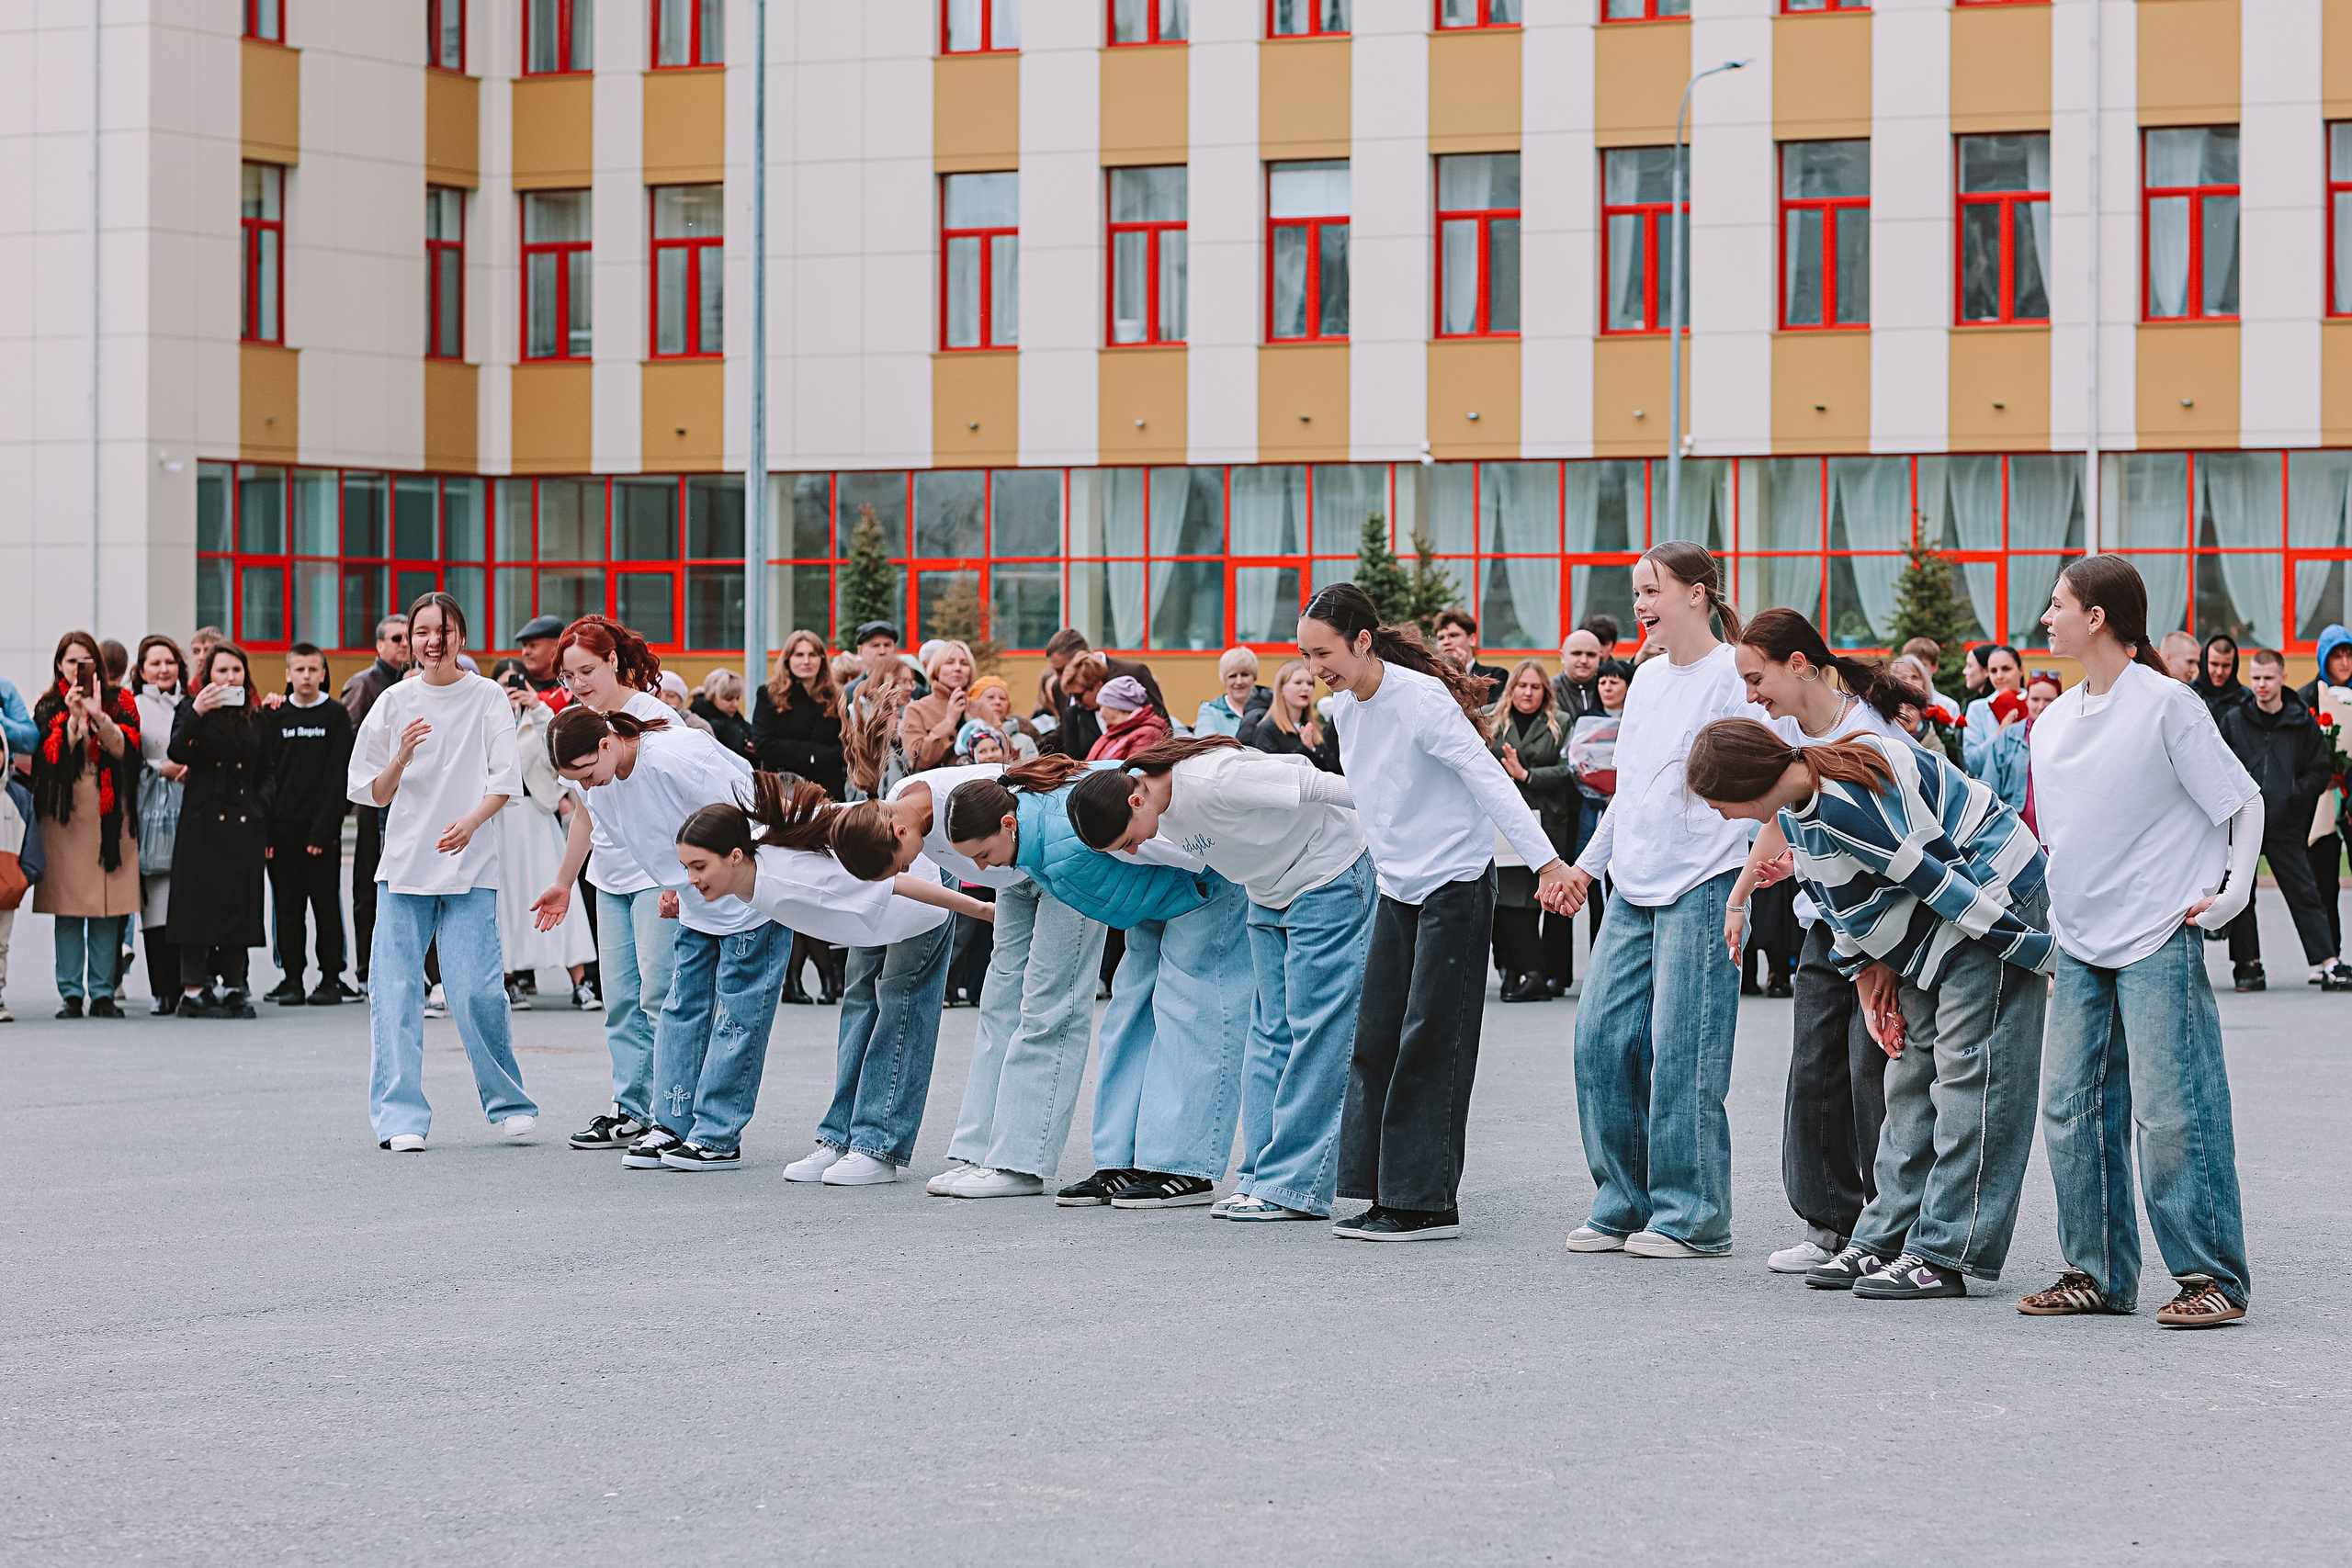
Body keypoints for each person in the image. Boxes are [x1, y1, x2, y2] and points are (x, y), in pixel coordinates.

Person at [1691, 719, 2055, 1300]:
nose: (1722, 817)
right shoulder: (1798, 807)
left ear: (1748, 783)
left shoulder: (1849, 803)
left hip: (1990, 904)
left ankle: (1945, 1250)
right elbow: (1837, 904)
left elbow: (1941, 881)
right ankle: (1885, 1235)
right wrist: (1866, 975)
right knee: (1908, 1076)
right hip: (1933, 923)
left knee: (1972, 1078)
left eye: (1719, 803)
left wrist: (2035, 951)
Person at [2019, 555, 2259, 1328]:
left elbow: (2242, 801)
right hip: (2081, 940)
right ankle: (2095, 1272)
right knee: (2068, 1107)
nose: (2046, 616)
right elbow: (2062, 839)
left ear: (2097, 618)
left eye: (2058, 604)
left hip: (2159, 930)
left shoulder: (2168, 705)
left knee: (2172, 1110)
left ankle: (2211, 1274)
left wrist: (2234, 893)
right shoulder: (2051, 724)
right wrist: (2058, 929)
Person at [1296, 583, 1570, 1242]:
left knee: (1431, 1036)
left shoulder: (1421, 700)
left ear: (1362, 641)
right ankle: (1381, 1188)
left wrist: (1548, 863)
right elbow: (1373, 800)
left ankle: (1425, 1201)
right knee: (1377, 1036)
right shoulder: (1345, 711)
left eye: (1324, 652)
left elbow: (1487, 779)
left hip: (1454, 880)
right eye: (1305, 656)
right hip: (1398, 886)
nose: (1314, 669)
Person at [1066, 735, 1374, 1221]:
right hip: (1268, 893)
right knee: (1270, 1034)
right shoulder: (1149, 801)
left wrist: (1402, 837)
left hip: (1329, 876)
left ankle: (1296, 1186)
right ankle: (1260, 1177)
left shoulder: (1216, 777)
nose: (1137, 847)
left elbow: (1327, 786)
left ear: (1135, 798)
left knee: (1318, 1033)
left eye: (1127, 839)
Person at [1717, 609, 1928, 1274]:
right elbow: (1783, 809)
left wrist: (1886, 960)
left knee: (1873, 1069)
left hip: (1885, 922)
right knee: (1813, 1063)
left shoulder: (1869, 729)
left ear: (1798, 664)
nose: (1753, 695)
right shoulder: (1786, 729)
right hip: (1824, 919)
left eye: (1757, 678)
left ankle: (1886, 1223)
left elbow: (1901, 846)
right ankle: (1826, 1220)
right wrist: (1741, 892)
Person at [1560, 543, 1752, 1260]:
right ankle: (1623, 1198)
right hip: (1632, 885)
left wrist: (1750, 871)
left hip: (1703, 883)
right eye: (1636, 592)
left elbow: (1770, 767)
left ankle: (1694, 1213)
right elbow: (1631, 787)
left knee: (1684, 1053)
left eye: (1651, 590)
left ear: (1698, 593)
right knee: (1598, 1041)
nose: (1640, 604)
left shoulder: (1734, 674)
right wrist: (1586, 867)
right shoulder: (1642, 679)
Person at [678, 773, 991, 1187]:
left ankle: (877, 1145)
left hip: (916, 883)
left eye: (698, 867)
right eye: (687, 868)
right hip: (870, 903)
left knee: (901, 1006)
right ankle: (840, 1137)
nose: (691, 878)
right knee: (860, 1004)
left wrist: (981, 911)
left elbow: (899, 880)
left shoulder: (790, 879)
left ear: (735, 856)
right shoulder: (755, 852)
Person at [938, 762, 1214, 1199]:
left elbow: (1170, 850)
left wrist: (1202, 889)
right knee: (1122, 1017)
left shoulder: (1061, 848)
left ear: (1008, 825)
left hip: (1187, 898)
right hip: (1155, 903)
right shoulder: (1029, 834)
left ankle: (1025, 1162)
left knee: (1066, 1012)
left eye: (983, 854)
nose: (979, 868)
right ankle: (1115, 1162)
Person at [542, 705, 783, 1172]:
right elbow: (648, 839)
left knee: (738, 1014)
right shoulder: (601, 786)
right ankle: (671, 1123)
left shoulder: (674, 754)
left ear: (608, 744)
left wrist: (734, 881)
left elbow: (752, 809)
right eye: (579, 781)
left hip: (747, 892)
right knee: (681, 1007)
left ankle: (718, 1135)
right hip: (696, 898)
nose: (588, 787)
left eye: (589, 773)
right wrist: (674, 885)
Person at [345, 592, 537, 1151]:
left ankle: (509, 1104)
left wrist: (470, 823)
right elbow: (373, 792)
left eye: (444, 630)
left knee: (476, 991)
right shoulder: (393, 702)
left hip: (470, 866)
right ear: (409, 640)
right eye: (422, 631)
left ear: (461, 636)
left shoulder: (487, 698)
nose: (433, 641)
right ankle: (400, 1118)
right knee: (396, 993)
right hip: (404, 868)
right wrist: (401, 757)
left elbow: (505, 780)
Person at [546, 615, 683, 1147]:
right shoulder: (579, 723)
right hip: (609, 878)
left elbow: (682, 807)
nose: (578, 684)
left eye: (586, 671)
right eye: (567, 676)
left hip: (657, 876)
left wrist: (681, 878)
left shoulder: (654, 718)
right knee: (620, 999)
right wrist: (564, 880)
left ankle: (672, 1111)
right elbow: (586, 810)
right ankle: (629, 1108)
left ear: (613, 662)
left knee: (658, 994)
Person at [2216, 649, 2348, 992]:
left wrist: (2296, 795)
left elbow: (2320, 766)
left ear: (2282, 678)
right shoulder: (2234, 721)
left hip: (2285, 822)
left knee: (2305, 891)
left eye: (2268, 678)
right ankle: (2248, 966)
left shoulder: (2301, 719)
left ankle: (2329, 963)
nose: (2261, 685)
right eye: (2256, 678)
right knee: (2241, 894)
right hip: (2243, 822)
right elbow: (2216, 768)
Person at [31, 631, 142, 1019]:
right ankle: (71, 994)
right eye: (69, 661)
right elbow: (48, 757)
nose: (76, 669)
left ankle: (103, 991)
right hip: (66, 813)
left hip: (111, 812)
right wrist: (74, 721)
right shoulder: (48, 705)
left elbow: (129, 748)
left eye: (84, 661)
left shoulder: (120, 700)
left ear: (96, 663)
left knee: (109, 907)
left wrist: (98, 715)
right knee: (69, 907)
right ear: (58, 665)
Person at [164, 644, 272, 1018]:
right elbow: (177, 751)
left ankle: (235, 986)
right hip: (202, 817)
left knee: (237, 903)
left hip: (244, 820)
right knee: (195, 902)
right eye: (222, 671)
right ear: (207, 675)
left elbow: (267, 770)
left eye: (236, 671)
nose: (230, 678)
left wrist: (260, 807)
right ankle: (194, 989)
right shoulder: (190, 710)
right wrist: (197, 711)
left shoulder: (256, 717)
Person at [487, 660, 594, 1007]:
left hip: (537, 815)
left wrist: (538, 708)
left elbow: (556, 754)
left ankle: (580, 982)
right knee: (509, 899)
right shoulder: (487, 722)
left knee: (559, 890)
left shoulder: (540, 719)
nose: (510, 688)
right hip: (501, 818)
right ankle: (510, 978)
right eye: (502, 683)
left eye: (515, 682)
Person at [255, 643, 353, 1006]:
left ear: (323, 673)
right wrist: (267, 830)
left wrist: (323, 831)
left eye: (314, 670)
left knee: (326, 906)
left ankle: (331, 978)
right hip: (281, 833)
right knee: (286, 908)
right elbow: (264, 776)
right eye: (300, 670)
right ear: (288, 674)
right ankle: (291, 978)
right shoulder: (273, 717)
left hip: (320, 834)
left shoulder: (335, 716)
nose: (307, 677)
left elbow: (337, 778)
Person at [1487, 660, 1577, 1002]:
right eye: (1522, 686)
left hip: (1545, 822)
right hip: (1500, 822)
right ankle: (1510, 971)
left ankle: (1533, 973)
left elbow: (1570, 770)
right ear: (1511, 689)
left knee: (1527, 902)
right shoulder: (1490, 717)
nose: (1528, 693)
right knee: (1501, 900)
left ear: (1545, 691)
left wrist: (1526, 775)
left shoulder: (1561, 723)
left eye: (1536, 687)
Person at [339, 614, 412, 992]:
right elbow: (348, 743)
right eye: (396, 638)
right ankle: (368, 969)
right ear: (379, 646)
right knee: (369, 887)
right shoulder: (364, 685)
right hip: (375, 800)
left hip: (412, 797)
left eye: (408, 638)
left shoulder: (419, 683)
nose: (404, 644)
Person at [130, 636, 188, 1013]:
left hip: (190, 808)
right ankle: (162, 990)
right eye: (155, 663)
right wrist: (159, 769)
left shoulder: (192, 705)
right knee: (157, 904)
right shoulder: (133, 707)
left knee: (187, 902)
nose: (163, 669)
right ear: (141, 670)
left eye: (169, 662)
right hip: (149, 810)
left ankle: (190, 985)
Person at [2299, 624, 2352, 960]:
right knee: (2324, 883)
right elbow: (2298, 753)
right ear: (2324, 659)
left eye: (2349, 654)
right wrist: (2325, 775)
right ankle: (2329, 957)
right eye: (2337, 655)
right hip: (2320, 802)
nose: (2345, 662)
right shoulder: (2306, 698)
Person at [752, 628, 849, 801]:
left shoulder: (835, 695)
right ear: (788, 659)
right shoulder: (769, 694)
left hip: (828, 790)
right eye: (799, 655)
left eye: (812, 654)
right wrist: (812, 754)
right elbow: (763, 745)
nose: (806, 661)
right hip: (784, 791)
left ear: (821, 659)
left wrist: (809, 753)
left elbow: (846, 746)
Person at [1046, 629, 1168, 758]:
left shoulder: (1134, 675)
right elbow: (1064, 735)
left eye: (1061, 670)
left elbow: (1161, 723)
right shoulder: (1061, 691)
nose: (1059, 677)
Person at [1238, 659, 1340, 772]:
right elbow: (1273, 773)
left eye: (1310, 683)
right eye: (1298, 683)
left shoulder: (1313, 729)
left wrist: (1315, 751)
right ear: (1281, 688)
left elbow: (1333, 771)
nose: (1306, 688)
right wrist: (1305, 748)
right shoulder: (1267, 730)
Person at [899, 639, 979, 772]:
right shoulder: (916, 710)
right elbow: (920, 761)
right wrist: (949, 722)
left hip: (983, 788)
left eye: (964, 663)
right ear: (936, 670)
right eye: (949, 662)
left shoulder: (983, 708)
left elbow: (1006, 756)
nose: (958, 668)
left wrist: (975, 726)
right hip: (935, 789)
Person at [1961, 644, 2024, 779]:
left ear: (2021, 670)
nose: (1999, 676)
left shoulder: (2036, 703)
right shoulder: (1978, 708)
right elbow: (1972, 763)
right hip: (1991, 791)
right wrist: (2000, 734)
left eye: (2006, 669)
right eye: (1993, 671)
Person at [1431, 608, 1510, 705]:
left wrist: (1462, 675)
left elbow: (1489, 712)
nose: (1446, 642)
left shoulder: (1495, 675)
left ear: (1472, 639)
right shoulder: (1431, 677)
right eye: (1441, 638)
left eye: (1453, 635)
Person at [1085, 675, 1170, 761]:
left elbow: (1136, 772)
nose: (1101, 714)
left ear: (1116, 707)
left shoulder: (1148, 734)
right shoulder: (1114, 732)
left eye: (1101, 706)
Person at [1194, 648, 1267, 738]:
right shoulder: (1210, 711)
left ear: (1254, 677)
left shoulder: (1272, 706)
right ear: (1223, 680)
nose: (1239, 682)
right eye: (1232, 676)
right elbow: (1206, 745)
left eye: (1245, 675)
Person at [967, 675, 1043, 760]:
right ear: (975, 703)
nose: (997, 702)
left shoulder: (1024, 741)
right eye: (990, 697)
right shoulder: (965, 738)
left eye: (1002, 698)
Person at [692, 668, 757, 760]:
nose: (736, 704)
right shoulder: (703, 724)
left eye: (738, 698)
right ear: (712, 696)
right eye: (729, 699)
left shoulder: (735, 719)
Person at [1550, 627, 1606, 726]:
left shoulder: (1612, 688)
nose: (1584, 660)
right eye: (1577, 653)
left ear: (1600, 658)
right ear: (1562, 657)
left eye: (1591, 655)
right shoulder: (1548, 691)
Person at [513, 615, 571, 706]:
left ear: (557, 646)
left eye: (533, 646)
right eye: (524, 646)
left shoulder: (574, 686)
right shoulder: (516, 686)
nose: (525, 652)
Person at [2190, 632, 2247, 719]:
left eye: (2226, 665)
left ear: (2234, 666)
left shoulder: (2247, 700)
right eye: (2214, 664)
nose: (2219, 672)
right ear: (2204, 663)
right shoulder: (2190, 694)